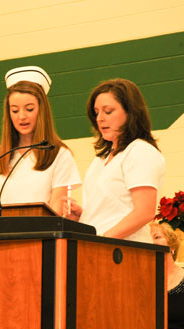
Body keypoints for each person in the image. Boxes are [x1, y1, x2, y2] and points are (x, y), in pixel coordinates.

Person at [0, 66, 81, 215]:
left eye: (29, 109)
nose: (21, 116)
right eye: (15, 110)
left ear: (41, 110)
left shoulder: (58, 154)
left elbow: (56, 213)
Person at [65, 78, 164, 242]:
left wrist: (102, 240)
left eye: (108, 111)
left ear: (130, 112)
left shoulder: (140, 151)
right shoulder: (101, 158)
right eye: (96, 112)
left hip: (124, 251)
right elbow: (113, 211)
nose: (100, 118)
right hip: (98, 249)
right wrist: (82, 217)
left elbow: (144, 212)